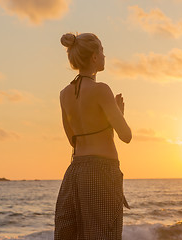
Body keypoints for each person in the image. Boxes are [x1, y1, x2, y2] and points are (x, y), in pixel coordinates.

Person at [55, 32, 132, 240]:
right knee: (103, 234)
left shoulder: (64, 94)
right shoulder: (101, 90)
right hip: (101, 172)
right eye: (103, 51)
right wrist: (117, 115)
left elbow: (72, 139)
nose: (105, 56)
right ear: (95, 57)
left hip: (75, 172)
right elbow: (126, 135)